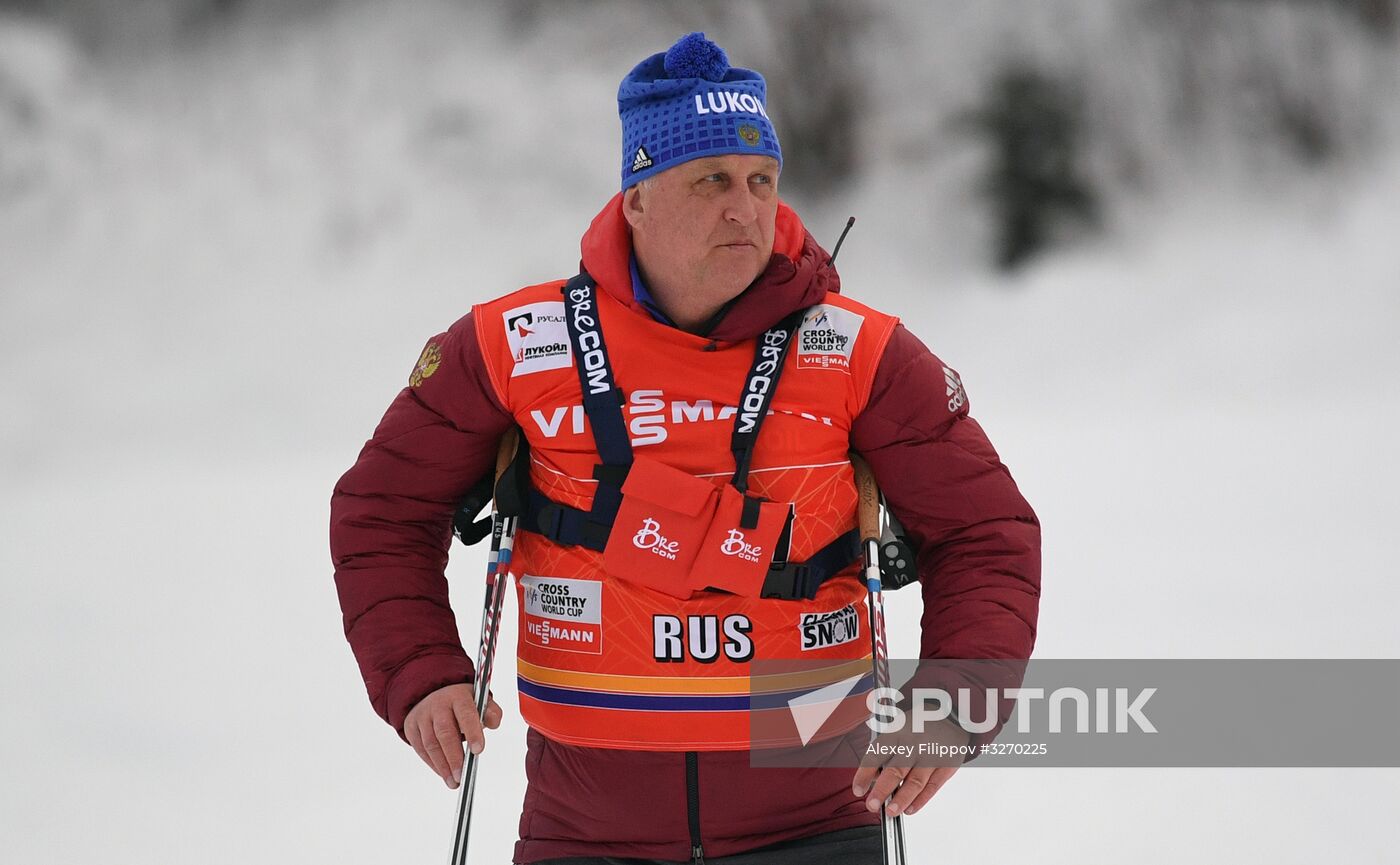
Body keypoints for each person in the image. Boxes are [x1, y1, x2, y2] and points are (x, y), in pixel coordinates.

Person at [331, 32, 1040, 865]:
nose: (744, 208)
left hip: (818, 828)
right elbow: (381, 507)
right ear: (636, 197)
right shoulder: (514, 345)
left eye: (760, 181)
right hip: (585, 835)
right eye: (711, 181)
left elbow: (988, 533)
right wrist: (420, 669)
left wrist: (953, 703)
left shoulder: (861, 354)